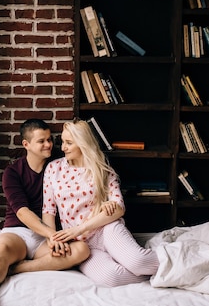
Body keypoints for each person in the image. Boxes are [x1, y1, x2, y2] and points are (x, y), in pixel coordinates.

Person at [0, 119, 90, 306]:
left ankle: (19, 268)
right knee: (0, 252)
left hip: (47, 236)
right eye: (41, 141)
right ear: (26, 144)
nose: (49, 145)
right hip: (18, 232)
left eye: (49, 140)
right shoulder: (12, 172)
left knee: (81, 250)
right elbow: (21, 212)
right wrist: (51, 235)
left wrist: (52, 236)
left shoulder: (58, 166)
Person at [42, 119, 160, 287]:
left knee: (139, 262)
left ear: (83, 143)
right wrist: (52, 238)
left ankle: (181, 261)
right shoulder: (54, 169)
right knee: (111, 278)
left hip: (106, 230)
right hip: (81, 244)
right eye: (62, 142)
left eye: (69, 143)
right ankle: (162, 275)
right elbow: (48, 210)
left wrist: (81, 227)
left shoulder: (101, 169)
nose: (62, 148)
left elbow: (118, 208)